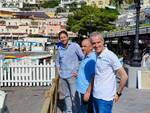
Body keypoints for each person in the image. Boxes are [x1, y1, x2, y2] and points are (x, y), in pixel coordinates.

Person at [84, 32, 128, 113]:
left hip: (105, 98)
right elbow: (97, 74)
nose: (96, 45)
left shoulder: (110, 56)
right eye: (94, 43)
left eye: (98, 42)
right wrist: (89, 91)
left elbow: (124, 76)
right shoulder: (97, 54)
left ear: (103, 42)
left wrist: (118, 93)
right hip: (96, 95)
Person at [56, 30, 84, 113]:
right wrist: (59, 72)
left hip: (73, 76)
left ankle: (77, 111)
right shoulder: (59, 48)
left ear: (67, 37)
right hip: (63, 76)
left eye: (64, 37)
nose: (63, 39)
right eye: (61, 38)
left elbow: (83, 58)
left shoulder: (75, 46)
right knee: (66, 95)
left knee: (74, 96)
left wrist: (78, 71)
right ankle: (69, 111)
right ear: (59, 39)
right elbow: (57, 61)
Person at [75, 39, 96, 113]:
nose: (82, 48)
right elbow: (87, 72)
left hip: (86, 90)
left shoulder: (92, 59)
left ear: (91, 47)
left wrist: (88, 92)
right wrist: (78, 75)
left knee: (85, 110)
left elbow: (94, 76)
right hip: (83, 89)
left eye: (84, 46)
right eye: (82, 46)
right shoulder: (86, 56)